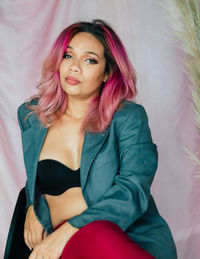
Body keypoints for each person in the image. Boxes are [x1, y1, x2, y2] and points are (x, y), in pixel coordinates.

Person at [5, 19, 177, 259]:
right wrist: (33, 207)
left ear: (107, 73)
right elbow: (35, 180)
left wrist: (68, 232)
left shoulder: (127, 118)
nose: (75, 67)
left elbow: (133, 189)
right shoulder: (32, 116)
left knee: (97, 235)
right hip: (54, 242)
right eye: (68, 56)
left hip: (116, 237)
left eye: (90, 60)